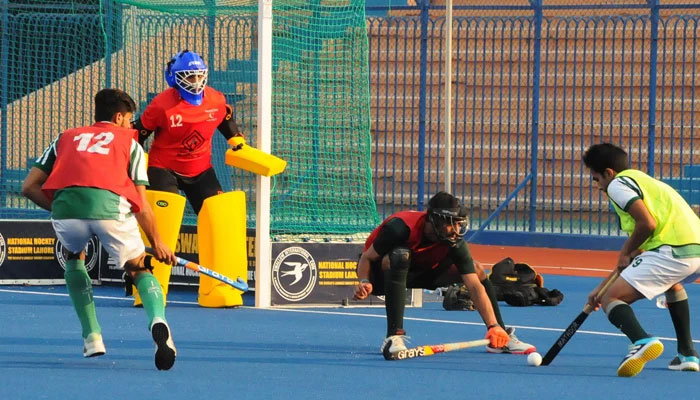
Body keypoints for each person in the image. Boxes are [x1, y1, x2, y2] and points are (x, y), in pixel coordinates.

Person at [21, 88, 179, 370]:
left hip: (66, 210)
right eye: (130, 120)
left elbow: (29, 187)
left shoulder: (65, 137)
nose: (132, 126)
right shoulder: (132, 145)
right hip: (110, 209)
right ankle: (159, 323)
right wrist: (158, 242)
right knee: (139, 267)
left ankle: (92, 336)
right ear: (118, 117)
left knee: (74, 257)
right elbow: (141, 204)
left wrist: (60, 210)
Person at [353, 191, 536, 355]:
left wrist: (494, 326)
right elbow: (367, 258)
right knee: (400, 255)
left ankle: (500, 336)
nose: (456, 230)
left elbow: (473, 285)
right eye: (451, 224)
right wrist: (364, 281)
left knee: (477, 270)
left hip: (426, 272)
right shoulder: (400, 228)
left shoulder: (453, 240)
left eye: (458, 224)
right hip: (382, 276)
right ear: (434, 220)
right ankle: (393, 337)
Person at [583, 143, 700, 377]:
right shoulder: (646, 183)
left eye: (596, 179)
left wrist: (622, 254)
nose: (597, 186)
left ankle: (641, 341)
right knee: (671, 284)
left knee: (611, 298)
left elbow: (647, 224)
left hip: (672, 250)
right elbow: (635, 254)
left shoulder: (617, 185)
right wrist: (601, 285)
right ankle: (687, 355)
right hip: (694, 251)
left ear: (609, 173)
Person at [133, 49, 244, 214]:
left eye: (200, 76)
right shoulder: (161, 105)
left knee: (216, 216)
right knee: (164, 221)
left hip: (200, 169)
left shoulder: (216, 99)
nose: (196, 82)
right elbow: (139, 132)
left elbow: (224, 118)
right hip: (164, 169)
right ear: (173, 77)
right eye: (190, 76)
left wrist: (235, 139)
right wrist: (138, 163)